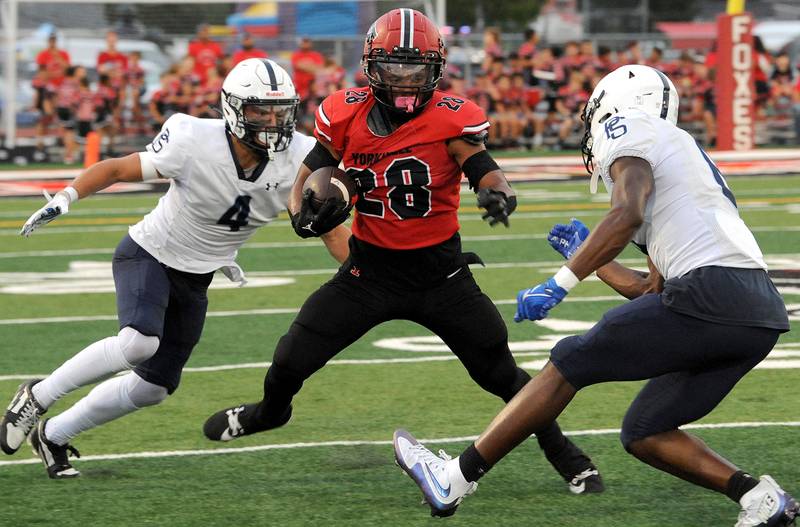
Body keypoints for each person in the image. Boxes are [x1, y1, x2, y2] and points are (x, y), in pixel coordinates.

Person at [203, 8, 603, 503]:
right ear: (373, 66)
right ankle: (268, 413)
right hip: (369, 270)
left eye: (416, 69)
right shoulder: (344, 112)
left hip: (442, 275)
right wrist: (300, 214)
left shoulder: (451, 118)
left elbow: (483, 168)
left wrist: (496, 192)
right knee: (289, 359)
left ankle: (563, 452)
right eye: (395, 68)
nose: (405, 79)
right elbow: (309, 175)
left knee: (502, 374)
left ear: (435, 69)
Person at [392, 64, 798, 526]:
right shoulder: (681, 157)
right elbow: (651, 290)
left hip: (711, 292)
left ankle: (453, 478)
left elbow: (626, 212)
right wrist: (595, 259)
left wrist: (561, 280)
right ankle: (759, 498)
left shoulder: (627, 126)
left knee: (570, 360)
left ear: (613, 105)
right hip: (755, 312)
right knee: (645, 430)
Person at [0, 59, 333, 479]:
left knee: (153, 388)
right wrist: (66, 197)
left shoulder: (300, 157)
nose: (270, 122)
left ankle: (54, 434)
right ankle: (36, 395)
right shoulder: (193, 138)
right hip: (149, 253)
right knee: (138, 343)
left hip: (197, 277)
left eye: (278, 111)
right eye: (259, 111)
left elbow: (330, 231)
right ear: (232, 109)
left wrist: (368, 274)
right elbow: (119, 168)